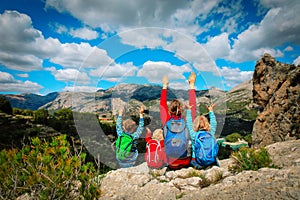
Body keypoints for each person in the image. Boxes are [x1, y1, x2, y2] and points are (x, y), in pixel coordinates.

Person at [159, 72, 197, 169]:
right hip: (185, 161)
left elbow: (162, 104)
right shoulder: (187, 121)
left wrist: (164, 86)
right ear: (182, 110)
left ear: (169, 110)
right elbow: (193, 106)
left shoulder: (166, 120)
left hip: (171, 162)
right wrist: (192, 84)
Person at [185, 103, 218, 169]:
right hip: (211, 161)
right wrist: (211, 111)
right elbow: (214, 123)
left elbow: (189, 124)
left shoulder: (194, 135)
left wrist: (189, 110)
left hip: (197, 161)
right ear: (207, 124)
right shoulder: (211, 133)